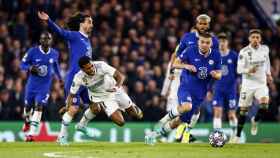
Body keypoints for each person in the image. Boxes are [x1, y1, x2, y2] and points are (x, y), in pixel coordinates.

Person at [145, 32, 222, 144]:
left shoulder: (216, 55)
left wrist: (216, 75)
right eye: (202, 42)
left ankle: (154, 135)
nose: (204, 44)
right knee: (187, 106)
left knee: (178, 121)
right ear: (198, 42)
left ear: (211, 43)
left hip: (200, 92)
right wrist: (186, 66)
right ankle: (163, 120)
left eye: (207, 42)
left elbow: (220, 74)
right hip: (186, 86)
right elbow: (175, 63)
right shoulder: (190, 50)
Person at [37, 11, 94, 144]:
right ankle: (61, 136)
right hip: (75, 79)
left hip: (86, 81)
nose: (92, 24)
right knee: (74, 109)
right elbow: (61, 32)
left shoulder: (87, 40)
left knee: (95, 105)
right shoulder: (75, 36)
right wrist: (49, 20)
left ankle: (82, 125)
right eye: (89, 22)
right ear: (81, 24)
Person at [60, 56, 143, 145]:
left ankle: (130, 106)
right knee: (121, 122)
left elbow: (119, 76)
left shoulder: (101, 65)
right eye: (88, 68)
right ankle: (82, 125)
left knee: (137, 115)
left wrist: (117, 86)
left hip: (115, 90)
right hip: (101, 98)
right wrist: (67, 107)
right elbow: (71, 95)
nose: (92, 69)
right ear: (83, 69)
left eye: (91, 66)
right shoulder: (79, 77)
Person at [20, 31, 62, 141]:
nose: (46, 41)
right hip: (32, 85)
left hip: (44, 86)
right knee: (28, 108)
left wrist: (60, 79)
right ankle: (27, 122)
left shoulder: (55, 53)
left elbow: (56, 67)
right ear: (40, 40)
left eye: (48, 39)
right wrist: (29, 68)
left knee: (39, 106)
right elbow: (22, 64)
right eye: (44, 39)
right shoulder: (32, 51)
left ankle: (31, 134)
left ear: (51, 40)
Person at [233, 29, 273, 143]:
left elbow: (267, 62)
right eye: (253, 37)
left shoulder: (265, 49)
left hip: (261, 83)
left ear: (260, 39)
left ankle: (255, 120)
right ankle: (237, 135)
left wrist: (269, 74)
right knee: (243, 111)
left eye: (257, 37)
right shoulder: (244, 51)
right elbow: (238, 69)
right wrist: (248, 70)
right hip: (248, 84)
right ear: (249, 39)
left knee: (264, 105)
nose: (255, 39)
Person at [211, 33, 238, 140]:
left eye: (224, 41)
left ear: (227, 42)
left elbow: (239, 72)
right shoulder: (214, 56)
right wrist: (209, 90)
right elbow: (211, 73)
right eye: (220, 41)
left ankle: (235, 135)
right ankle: (217, 137)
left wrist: (239, 84)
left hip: (231, 89)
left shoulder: (234, 55)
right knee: (217, 113)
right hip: (218, 89)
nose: (222, 43)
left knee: (231, 114)